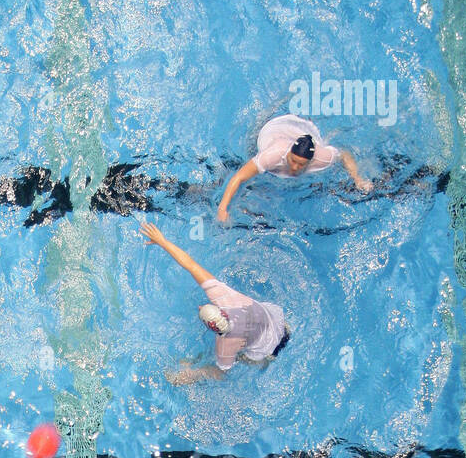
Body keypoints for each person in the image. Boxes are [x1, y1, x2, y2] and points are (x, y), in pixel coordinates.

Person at [140, 221, 289, 383]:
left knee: (229, 362)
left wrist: (193, 374)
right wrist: (163, 241)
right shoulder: (227, 298)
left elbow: (221, 372)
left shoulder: (225, 343)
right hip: (280, 324)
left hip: (267, 350)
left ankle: (189, 374)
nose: (200, 306)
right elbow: (191, 265)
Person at [217, 114, 373, 223]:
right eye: (293, 161)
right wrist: (222, 208)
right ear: (290, 153)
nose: (295, 167)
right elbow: (239, 177)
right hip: (272, 130)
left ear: (310, 161)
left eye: (301, 164)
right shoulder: (273, 155)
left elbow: (344, 155)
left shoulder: (321, 158)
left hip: (302, 130)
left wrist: (357, 179)